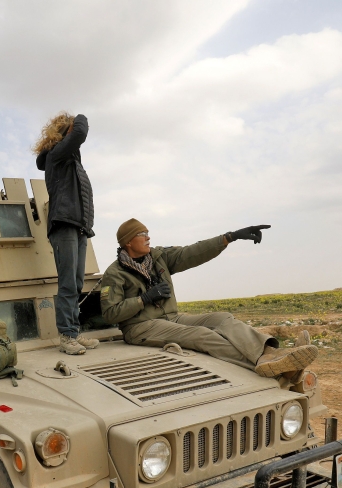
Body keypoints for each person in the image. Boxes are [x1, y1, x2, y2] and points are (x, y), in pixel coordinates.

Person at [101, 219, 319, 377]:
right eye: (142, 234)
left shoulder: (158, 257)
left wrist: (229, 237)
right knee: (201, 334)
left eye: (148, 232)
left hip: (171, 317)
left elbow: (193, 252)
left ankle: (271, 353)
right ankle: (261, 364)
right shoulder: (115, 273)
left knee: (222, 319)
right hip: (140, 327)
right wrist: (144, 299)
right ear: (128, 242)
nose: (148, 237)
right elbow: (110, 314)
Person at [34, 112, 100, 355]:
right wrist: (78, 117)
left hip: (78, 224)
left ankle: (73, 332)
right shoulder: (57, 154)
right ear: (66, 133)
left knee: (77, 282)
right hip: (63, 223)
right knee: (68, 284)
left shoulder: (68, 158)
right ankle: (66, 336)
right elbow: (81, 132)